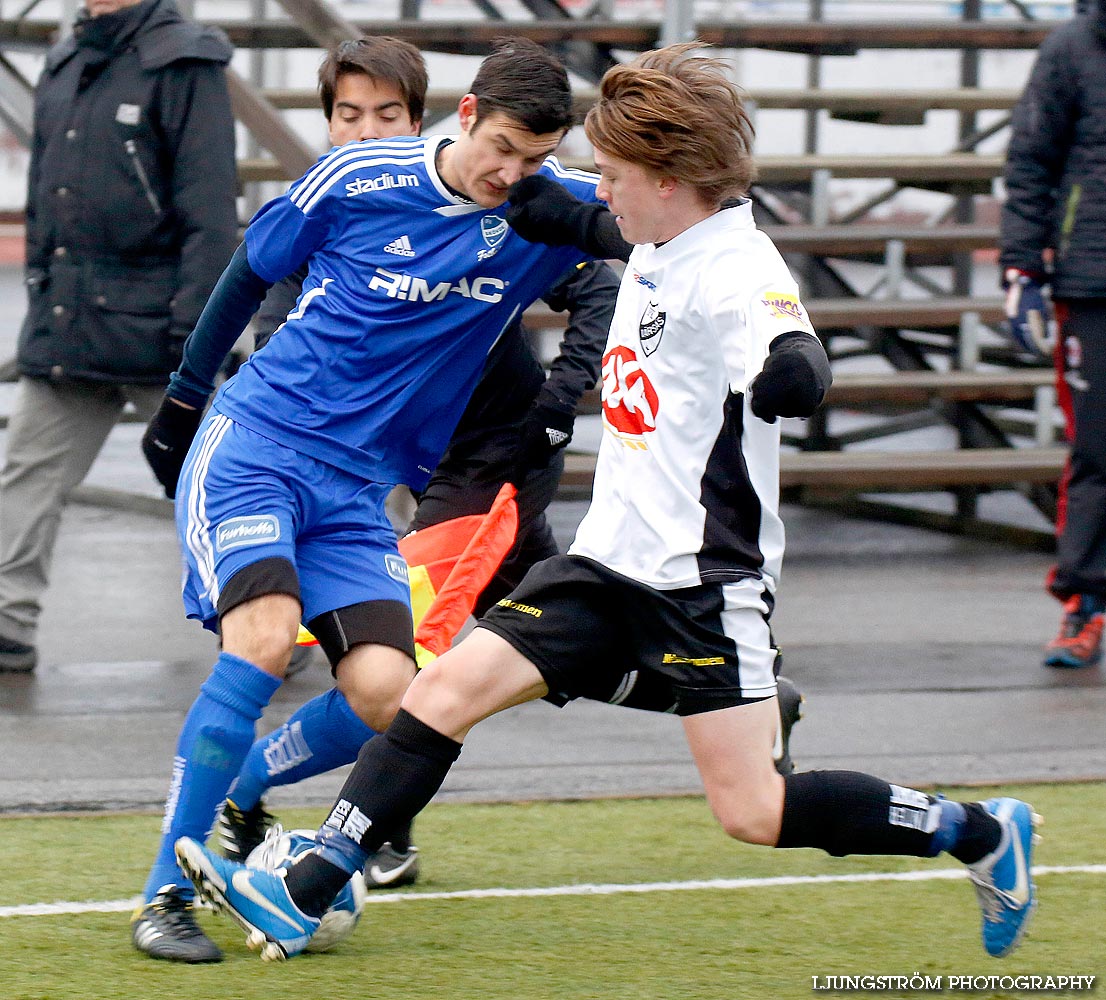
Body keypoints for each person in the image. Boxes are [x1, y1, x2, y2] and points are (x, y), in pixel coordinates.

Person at [174, 43, 1039, 966]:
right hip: (603, 564)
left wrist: (796, 370)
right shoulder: (651, 231)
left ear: (669, 179)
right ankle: (302, 887)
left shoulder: (736, 265)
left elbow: (786, 338)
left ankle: (977, 832)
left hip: (703, 583)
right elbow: (565, 215)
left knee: (755, 811)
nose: (599, 191)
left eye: (615, 175)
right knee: (441, 691)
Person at [132, 36, 614, 964]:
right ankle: (163, 896)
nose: (509, 174)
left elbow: (666, 222)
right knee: (265, 643)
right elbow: (252, 267)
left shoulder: (542, 209)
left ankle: (240, 789)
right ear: (466, 114)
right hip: (259, 446)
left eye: (535, 160)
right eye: (502, 148)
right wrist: (187, 394)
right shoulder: (358, 176)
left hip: (357, 487)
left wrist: (598, 226)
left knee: (393, 695)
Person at [0, 0, 237, 673]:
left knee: (222, 486)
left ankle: (270, 621)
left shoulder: (187, 63)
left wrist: (196, 340)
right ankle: (5, 625)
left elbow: (211, 213)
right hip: (71, 325)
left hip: (164, 336)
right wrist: (44, 293)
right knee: (26, 475)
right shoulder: (67, 57)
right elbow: (47, 199)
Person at [1000, 0, 1106, 670]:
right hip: (1092, 281)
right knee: (1098, 451)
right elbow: (1031, 161)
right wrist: (1021, 266)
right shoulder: (1072, 46)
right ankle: (1086, 603)